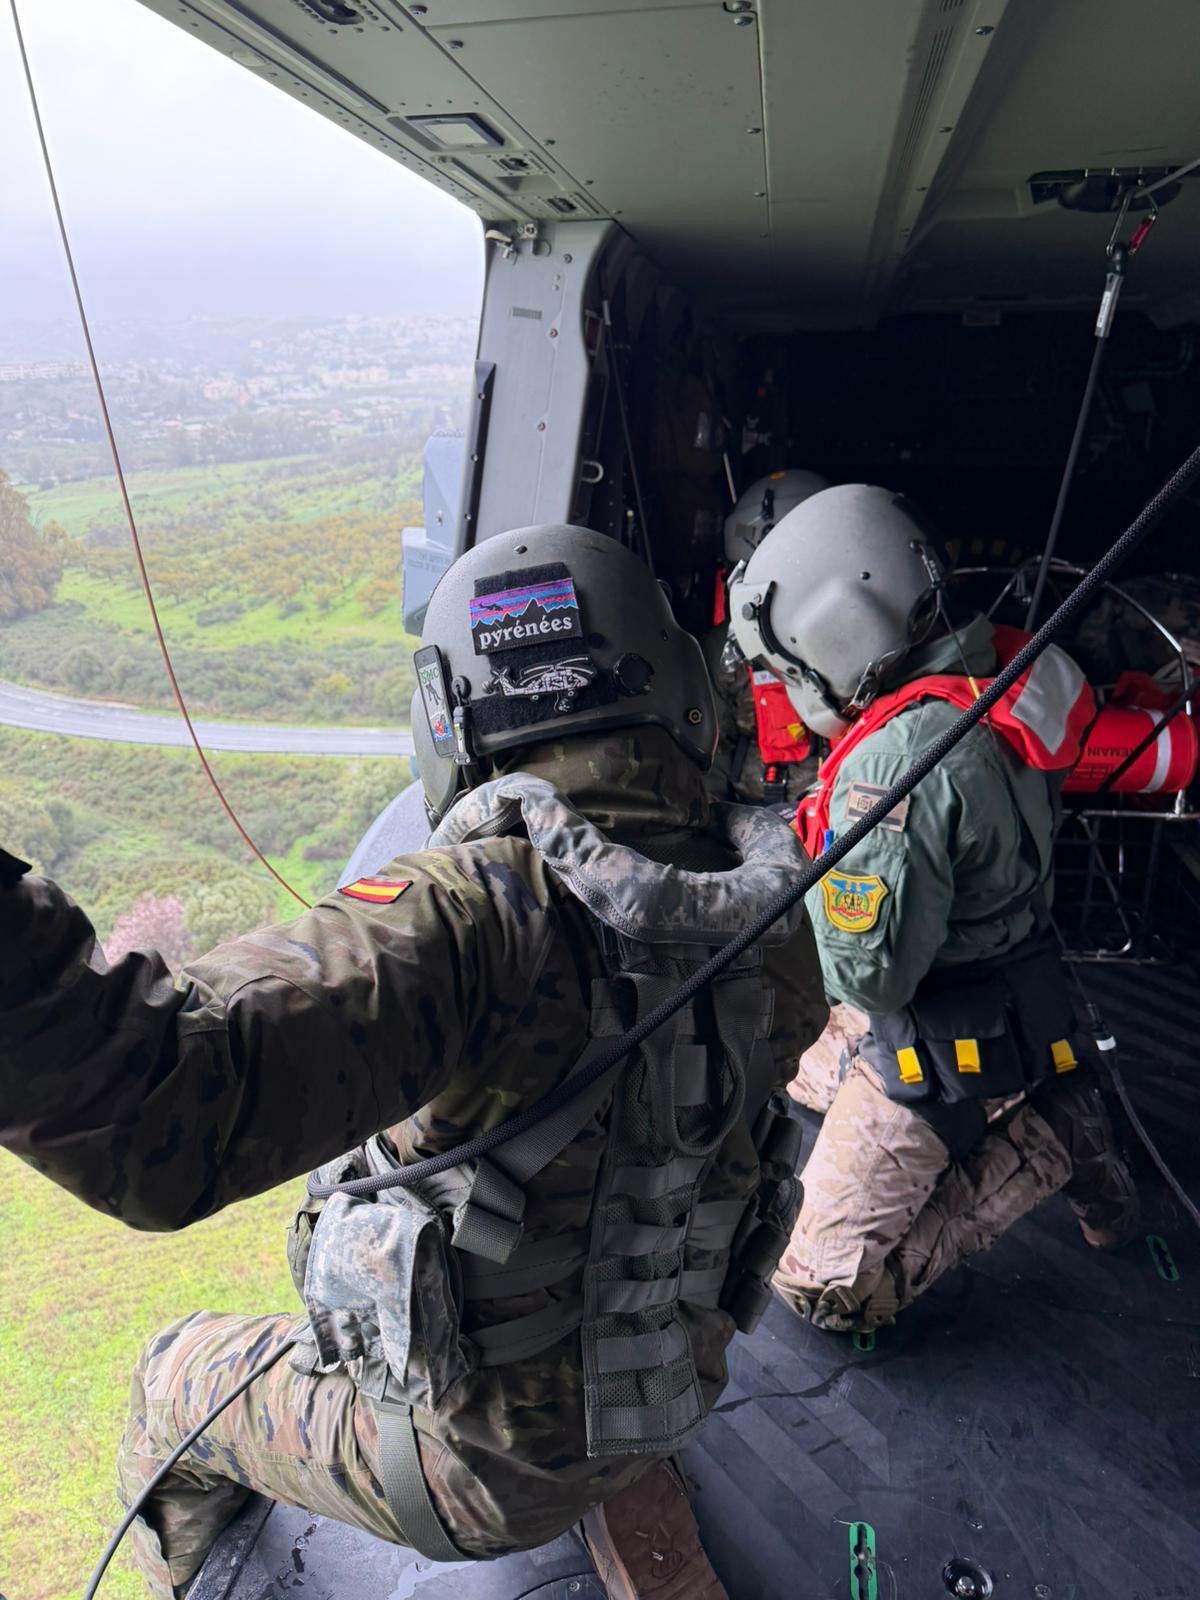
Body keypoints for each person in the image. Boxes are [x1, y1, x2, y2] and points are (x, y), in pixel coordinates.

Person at [0, 523, 828, 1599]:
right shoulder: (769, 904)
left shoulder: (475, 915)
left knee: (170, 1380)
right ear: (676, 681)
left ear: (451, 717)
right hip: (672, 1388)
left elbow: (152, 1116)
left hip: (474, 1468)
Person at [727, 485, 1138, 1333]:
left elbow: (868, 980)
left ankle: (1052, 1134)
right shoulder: (996, 666)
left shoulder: (900, 764)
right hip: (998, 962)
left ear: (841, 631)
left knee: (818, 1290)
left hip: (939, 1027)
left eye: (791, 666)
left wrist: (787, 880)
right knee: (766, 1050)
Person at [704, 470, 828, 815]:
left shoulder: (856, 642)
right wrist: (711, 823)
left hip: (832, 813)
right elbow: (711, 750)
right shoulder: (725, 648)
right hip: (749, 814)